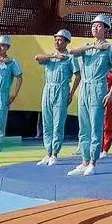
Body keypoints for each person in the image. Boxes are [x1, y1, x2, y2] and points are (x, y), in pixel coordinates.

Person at [66, 14, 112, 176]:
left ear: (106, 29)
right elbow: (72, 52)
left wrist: (111, 92)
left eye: (99, 25)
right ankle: (84, 161)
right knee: (84, 127)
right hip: (85, 87)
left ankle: (92, 163)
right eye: (93, 25)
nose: (95, 28)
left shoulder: (110, 48)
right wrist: (93, 47)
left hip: (98, 87)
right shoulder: (87, 47)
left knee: (96, 127)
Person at [34, 29, 76, 166]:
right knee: (47, 123)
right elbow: (37, 58)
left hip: (62, 90)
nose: (57, 42)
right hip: (48, 90)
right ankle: (47, 153)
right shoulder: (50, 57)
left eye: (60, 40)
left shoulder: (70, 58)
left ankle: (54, 154)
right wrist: (54, 56)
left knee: (58, 123)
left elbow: (78, 75)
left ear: (66, 42)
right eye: (56, 40)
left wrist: (71, 93)